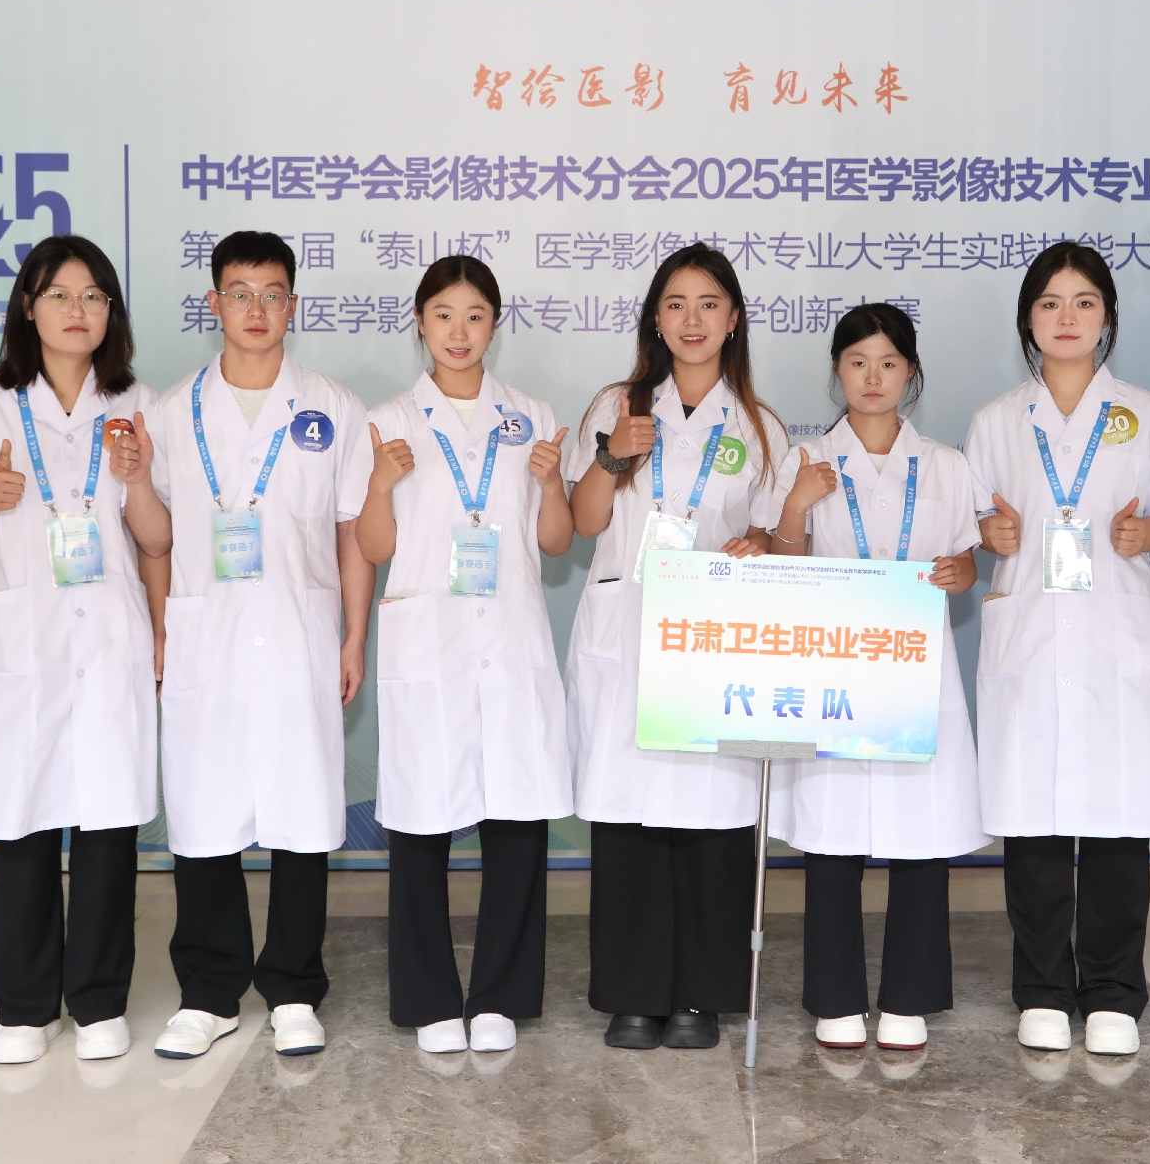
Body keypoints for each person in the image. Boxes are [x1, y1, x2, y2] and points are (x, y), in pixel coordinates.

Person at [0, 234, 167, 1064]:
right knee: (20, 825)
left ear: (111, 312)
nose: (77, 310)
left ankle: (98, 1001)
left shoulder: (137, 403)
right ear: (28, 306)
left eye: (94, 295)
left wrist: (136, 477)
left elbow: (157, 539)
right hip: (17, 640)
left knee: (106, 826)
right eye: (59, 294)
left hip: (108, 637)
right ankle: (24, 1006)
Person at [966, 242, 1150, 1059]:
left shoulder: (1144, 412)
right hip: (1031, 638)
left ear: (1107, 316)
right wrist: (988, 532)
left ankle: (1112, 990)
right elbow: (972, 517)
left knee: (1117, 823)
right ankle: (1040, 987)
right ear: (1027, 320)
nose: (1066, 317)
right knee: (1032, 825)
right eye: (1049, 303)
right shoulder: (998, 419)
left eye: (1084, 302)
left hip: (1114, 636)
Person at [147, 231, 372, 1060]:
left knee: (301, 811)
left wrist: (354, 634)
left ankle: (293, 988)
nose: (256, 309)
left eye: (272, 294)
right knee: (203, 812)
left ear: (292, 306)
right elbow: (154, 536)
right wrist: (161, 627)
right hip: (203, 636)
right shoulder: (170, 411)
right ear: (214, 302)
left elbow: (352, 532)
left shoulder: (333, 406)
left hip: (299, 634)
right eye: (239, 292)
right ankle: (208, 992)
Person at [561, 242, 786, 1051]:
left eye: (709, 304)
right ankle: (632, 993)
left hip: (709, 637)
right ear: (655, 319)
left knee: (709, 815)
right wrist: (612, 453)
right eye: (677, 304)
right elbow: (583, 522)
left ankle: (699, 995)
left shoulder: (758, 426)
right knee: (629, 816)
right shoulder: (615, 404)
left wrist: (761, 543)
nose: (693, 320)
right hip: (624, 628)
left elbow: (772, 529)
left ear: (733, 319)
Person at [350, 255, 574, 1055]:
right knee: (422, 823)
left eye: (475, 315)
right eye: (443, 314)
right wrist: (379, 486)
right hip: (431, 643)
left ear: (494, 325)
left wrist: (553, 484)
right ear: (420, 322)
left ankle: (502, 994)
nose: (459, 331)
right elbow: (373, 547)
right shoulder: (388, 420)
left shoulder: (533, 416)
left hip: (509, 637)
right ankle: (429, 997)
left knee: (516, 821)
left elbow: (557, 542)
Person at [766, 303, 986, 1053]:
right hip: (836, 666)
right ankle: (835, 998)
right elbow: (784, 565)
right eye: (857, 361)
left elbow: (965, 561)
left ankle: (908, 999)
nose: (872, 376)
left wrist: (959, 572)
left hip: (918, 666)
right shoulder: (805, 459)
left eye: (888, 363)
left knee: (920, 833)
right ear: (837, 370)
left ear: (910, 372)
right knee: (834, 837)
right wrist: (796, 507)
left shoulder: (946, 463)